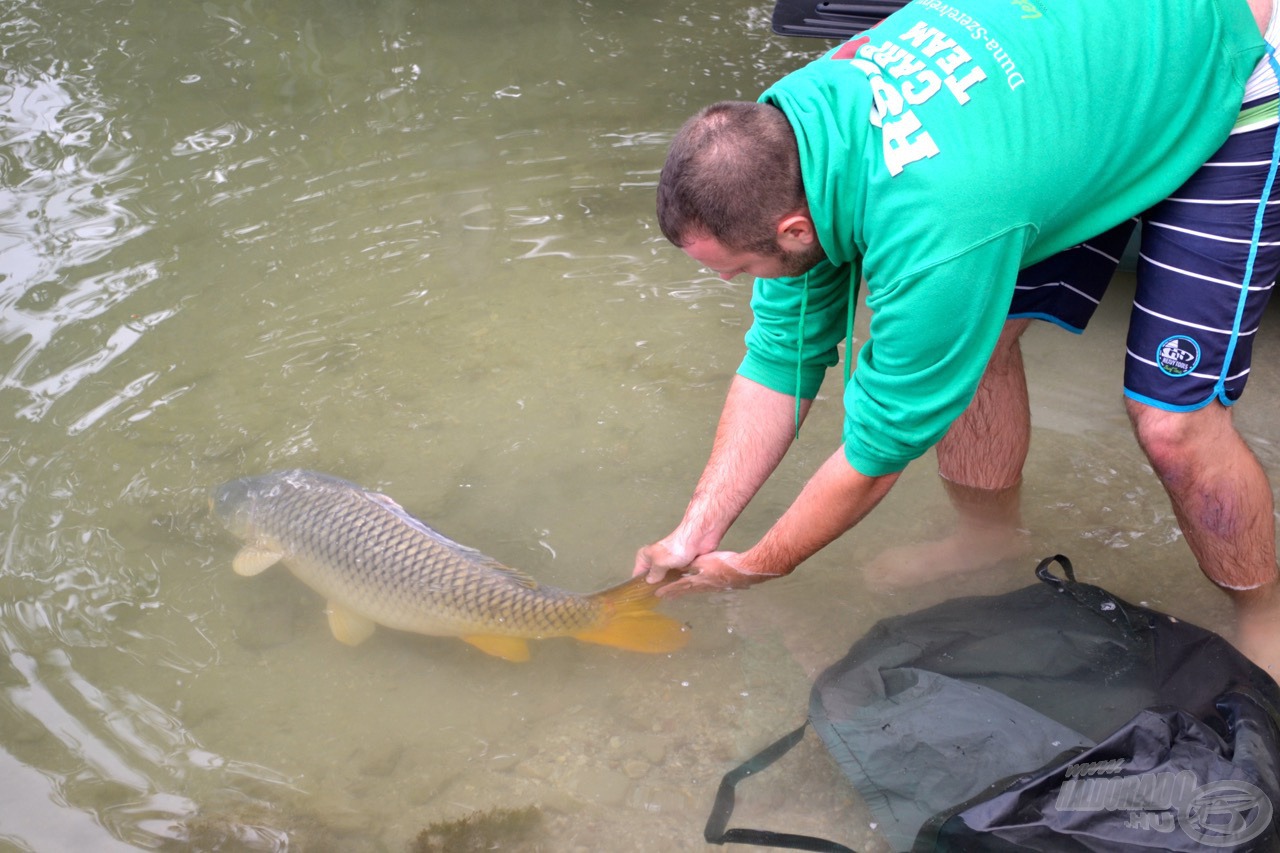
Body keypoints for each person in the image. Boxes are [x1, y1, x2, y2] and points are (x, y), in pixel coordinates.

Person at [633, 0, 1280, 674]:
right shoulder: (785, 138)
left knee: (1174, 422)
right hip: (1055, 93)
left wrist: (756, 566)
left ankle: (1266, 613)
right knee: (977, 340)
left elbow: (876, 453)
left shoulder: (935, 225)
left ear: (795, 229)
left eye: (734, 268)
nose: (733, 281)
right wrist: (695, 532)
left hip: (1231, 63)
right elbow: (778, 358)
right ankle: (989, 535)